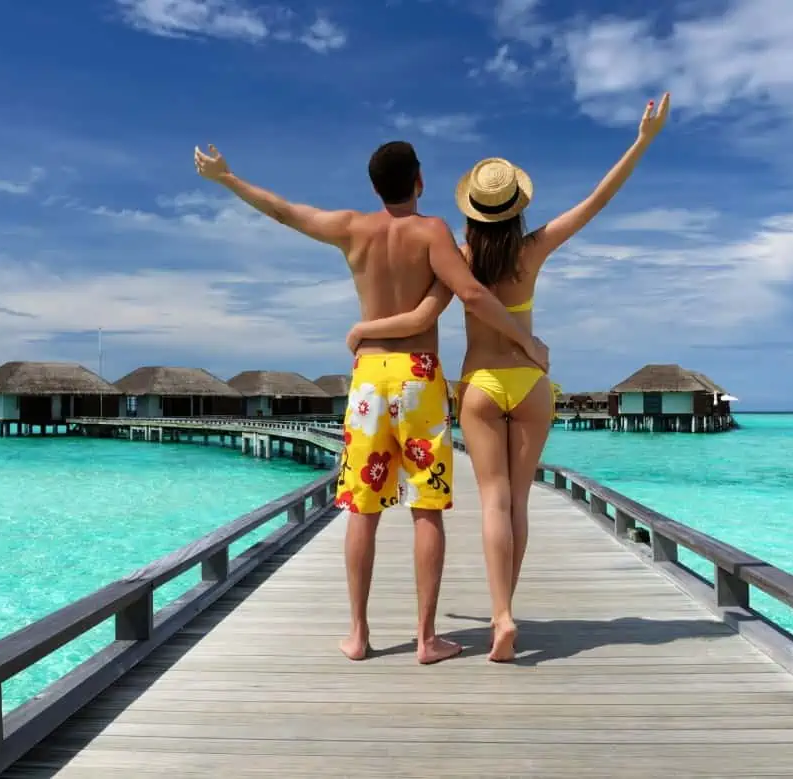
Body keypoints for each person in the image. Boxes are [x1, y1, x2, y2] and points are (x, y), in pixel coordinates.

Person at [193, 140, 549, 665]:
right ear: (420, 182)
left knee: (362, 510)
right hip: (419, 377)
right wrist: (525, 342)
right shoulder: (432, 233)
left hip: (367, 380)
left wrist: (227, 177)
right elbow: (471, 295)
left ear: (375, 187)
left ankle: (358, 634)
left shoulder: (351, 229)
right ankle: (426, 639)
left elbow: (284, 211)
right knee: (425, 509)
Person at [345, 93, 671, 661]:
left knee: (492, 502)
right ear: (517, 206)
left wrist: (362, 332)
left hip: (479, 386)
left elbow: (424, 316)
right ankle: (504, 613)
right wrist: (641, 140)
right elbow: (598, 200)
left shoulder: (457, 256)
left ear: (471, 207)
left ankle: (496, 618)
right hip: (530, 383)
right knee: (519, 502)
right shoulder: (534, 249)